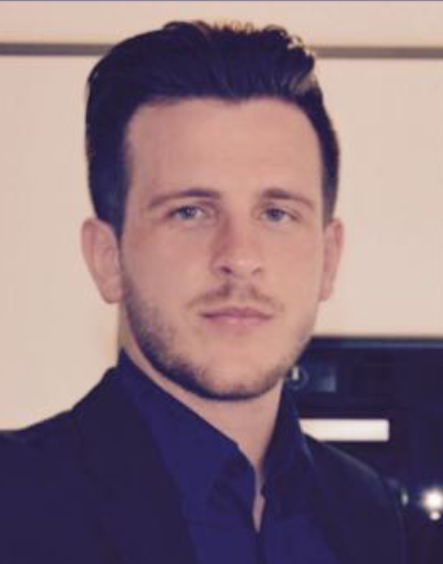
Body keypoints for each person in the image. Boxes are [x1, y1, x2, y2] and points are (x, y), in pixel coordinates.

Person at [0, 21, 406, 564]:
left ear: (329, 259)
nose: (239, 255)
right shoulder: (13, 502)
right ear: (107, 257)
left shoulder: (367, 510)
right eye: (190, 211)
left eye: (276, 213)